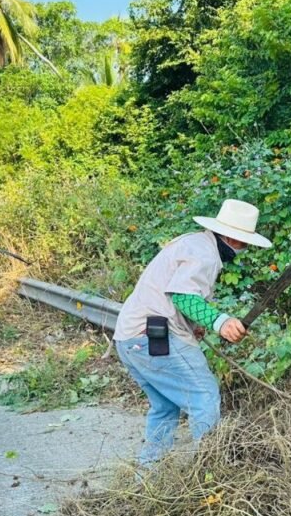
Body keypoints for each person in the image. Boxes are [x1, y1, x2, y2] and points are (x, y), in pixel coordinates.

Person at [113, 199, 272, 465]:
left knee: (165, 408)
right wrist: (220, 322)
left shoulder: (193, 243)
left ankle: (147, 474)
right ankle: (210, 471)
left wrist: (194, 325)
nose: (244, 249)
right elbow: (182, 296)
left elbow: (169, 292)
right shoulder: (205, 254)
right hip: (154, 339)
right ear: (234, 238)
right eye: (245, 243)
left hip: (129, 339)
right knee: (204, 396)